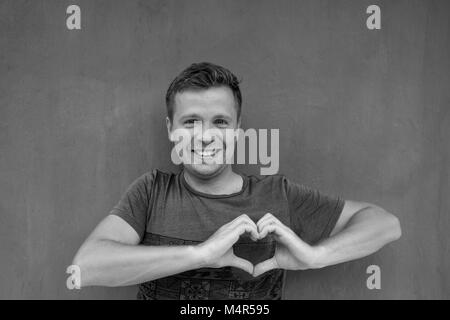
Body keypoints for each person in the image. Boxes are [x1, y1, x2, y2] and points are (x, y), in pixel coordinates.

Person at [72, 62, 401, 299]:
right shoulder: (152, 191)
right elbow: (86, 268)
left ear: (238, 129)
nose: (205, 137)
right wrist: (200, 254)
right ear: (170, 130)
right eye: (190, 122)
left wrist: (315, 257)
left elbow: (385, 224)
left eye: (220, 121)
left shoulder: (277, 195)